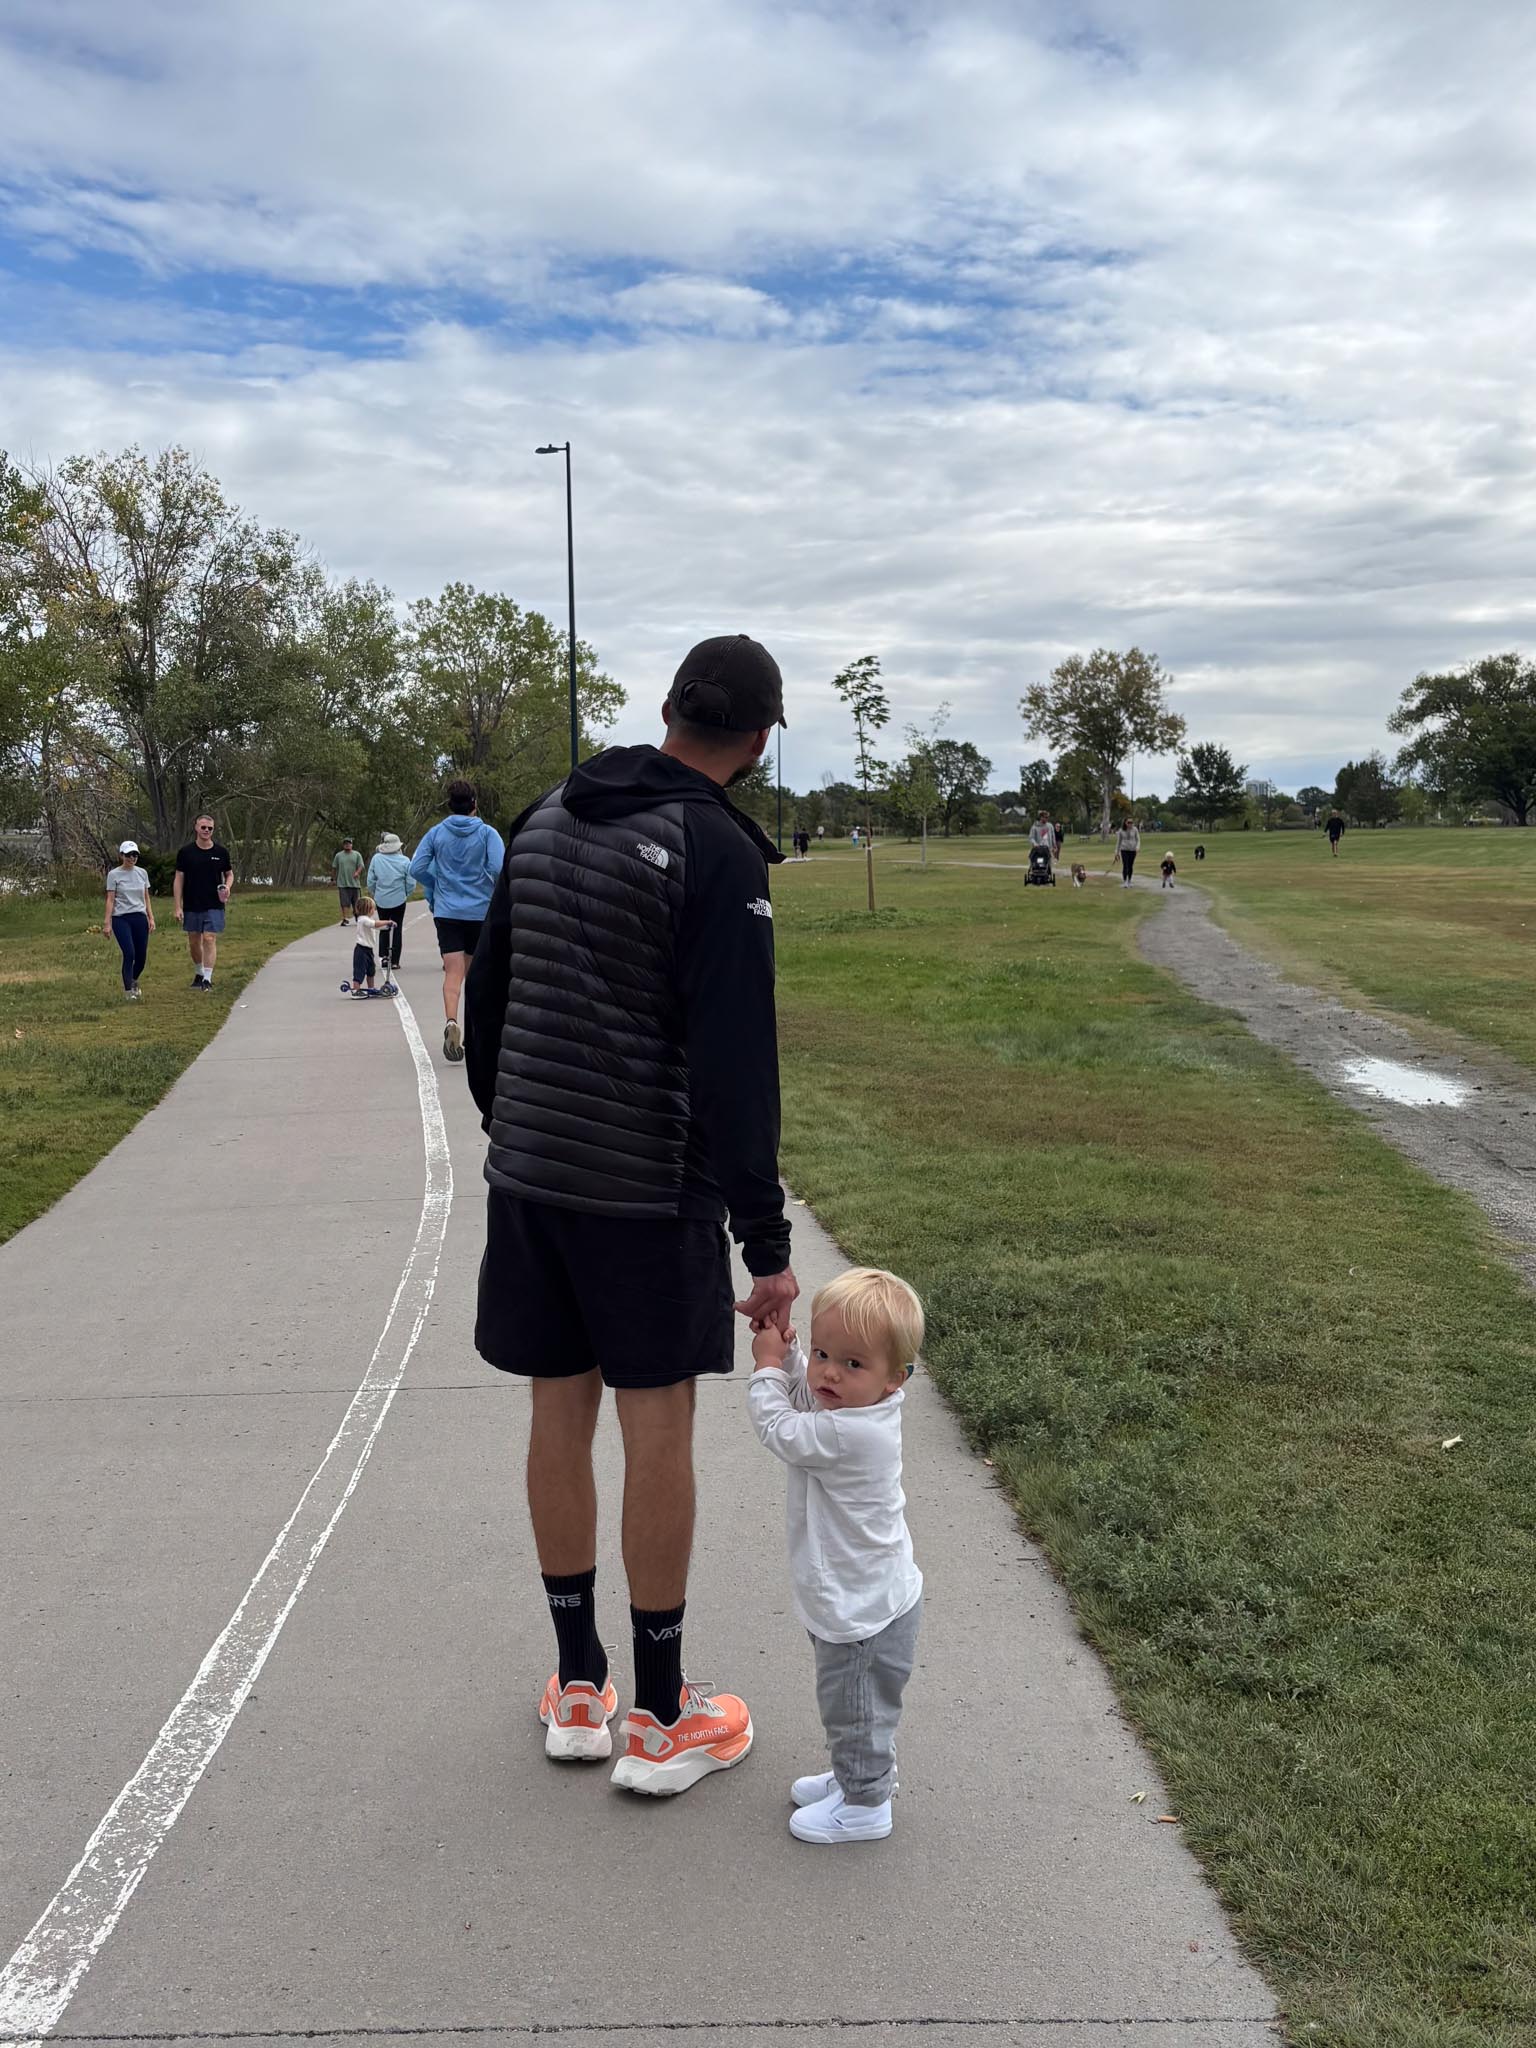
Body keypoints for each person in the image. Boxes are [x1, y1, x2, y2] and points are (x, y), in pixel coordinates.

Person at [464, 632, 797, 1798]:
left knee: (558, 1414)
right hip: (646, 1190)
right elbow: (736, 1061)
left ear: (667, 710)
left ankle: (577, 1684)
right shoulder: (718, 847)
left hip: (533, 1176)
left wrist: (515, 1125)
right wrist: (766, 1244)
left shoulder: (546, 814)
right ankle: (659, 1713)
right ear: (759, 739)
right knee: (657, 1428)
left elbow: (491, 993)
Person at [747, 1268, 925, 1845]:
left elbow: (780, 1427)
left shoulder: (853, 1435)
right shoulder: (857, 1409)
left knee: (854, 1710)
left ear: (895, 1379)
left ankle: (865, 1804)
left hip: (861, 1611)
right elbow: (809, 1398)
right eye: (824, 1353)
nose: (829, 1373)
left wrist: (766, 1368)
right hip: (867, 1596)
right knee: (859, 1706)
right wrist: (791, 1354)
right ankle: (857, 1775)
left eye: (852, 1363)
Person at [409, 781, 505, 1064]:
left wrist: (436, 883)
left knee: (453, 972)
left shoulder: (436, 833)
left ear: (450, 805)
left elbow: (416, 867)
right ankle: (474, 1033)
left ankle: (451, 1022)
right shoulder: (487, 834)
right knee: (475, 975)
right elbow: (498, 868)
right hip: (478, 911)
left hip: (447, 912)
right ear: (474, 804)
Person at [173, 814, 232, 991]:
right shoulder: (186, 852)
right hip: (192, 903)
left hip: (214, 904)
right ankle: (199, 973)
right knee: (194, 941)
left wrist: (227, 887)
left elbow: (229, 874)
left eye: (210, 828)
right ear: (196, 827)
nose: (206, 830)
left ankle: (207, 979)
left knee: (209, 938)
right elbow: (179, 878)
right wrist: (177, 906)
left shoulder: (221, 852)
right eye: (203, 827)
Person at [103, 840, 155, 1001]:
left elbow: (146, 897)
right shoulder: (114, 875)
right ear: (121, 855)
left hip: (139, 916)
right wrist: (107, 923)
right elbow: (110, 899)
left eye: (135, 855)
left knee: (141, 957)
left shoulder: (142, 873)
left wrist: (151, 917)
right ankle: (128, 991)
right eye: (128, 855)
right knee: (129, 953)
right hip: (121, 918)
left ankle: (133, 980)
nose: (132, 858)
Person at [366, 831, 414, 970]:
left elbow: (370, 880)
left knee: (384, 927)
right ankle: (395, 961)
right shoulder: (405, 860)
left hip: (382, 899)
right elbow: (411, 881)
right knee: (397, 929)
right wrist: (406, 893)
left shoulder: (376, 859)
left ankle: (384, 957)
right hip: (399, 898)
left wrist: (375, 892)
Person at [345, 895, 388, 996]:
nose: (374, 911)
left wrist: (387, 927)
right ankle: (356, 990)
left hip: (369, 949)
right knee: (360, 970)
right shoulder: (363, 919)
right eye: (373, 908)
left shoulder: (368, 919)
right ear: (368, 909)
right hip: (361, 950)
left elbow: (376, 927)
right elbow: (374, 924)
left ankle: (371, 988)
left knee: (371, 969)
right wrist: (388, 921)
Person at [332, 839, 364, 924]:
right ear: (343, 845)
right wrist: (333, 879)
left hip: (355, 883)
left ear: (352, 845)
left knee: (356, 902)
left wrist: (357, 872)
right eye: (345, 844)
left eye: (349, 843)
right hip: (342, 883)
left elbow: (361, 865)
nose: (347, 845)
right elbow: (334, 867)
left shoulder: (357, 854)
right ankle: (345, 918)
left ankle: (357, 914)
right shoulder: (338, 855)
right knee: (344, 902)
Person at [1115, 816, 1140, 887]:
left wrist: (1137, 847)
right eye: (1129, 822)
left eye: (1131, 822)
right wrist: (1116, 852)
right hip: (1124, 849)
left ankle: (1129, 880)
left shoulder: (1135, 829)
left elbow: (1138, 839)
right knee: (1125, 865)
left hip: (1132, 850)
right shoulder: (1121, 830)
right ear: (1125, 823)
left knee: (1130, 865)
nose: (1130, 824)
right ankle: (1125, 881)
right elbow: (1118, 842)